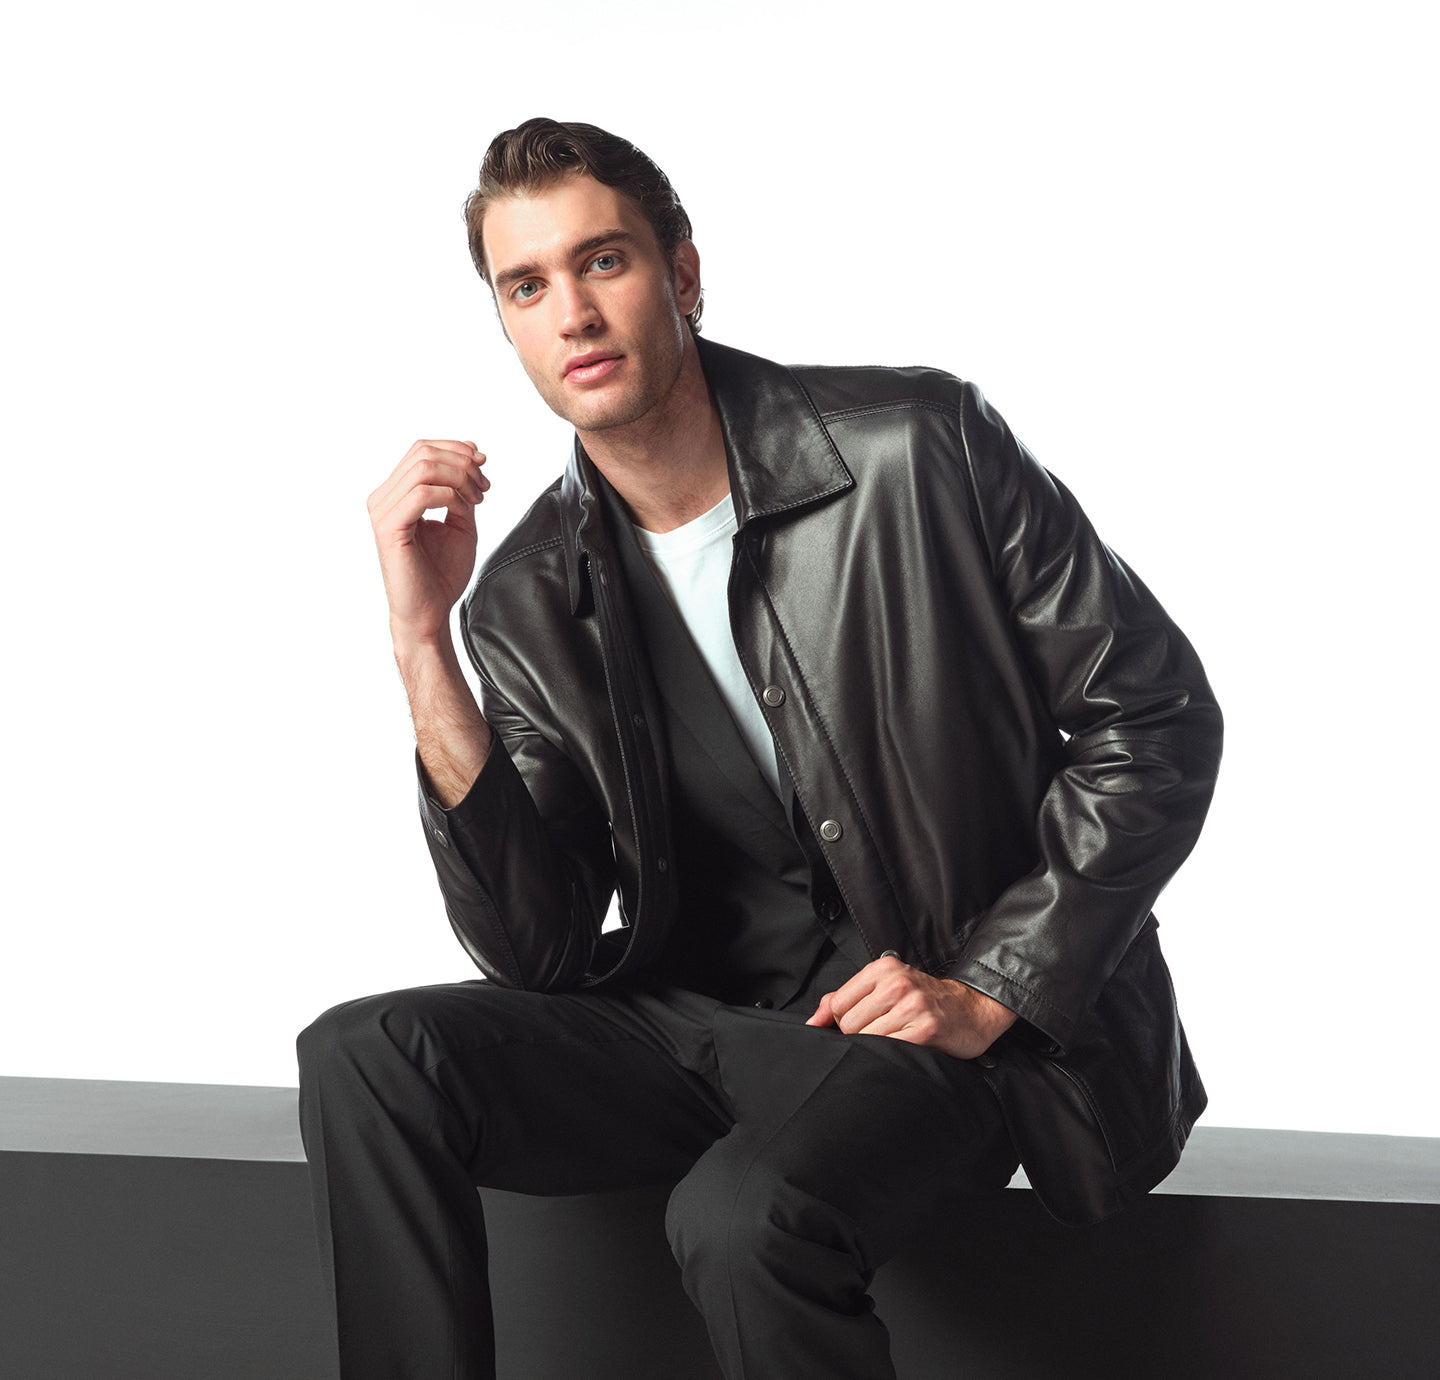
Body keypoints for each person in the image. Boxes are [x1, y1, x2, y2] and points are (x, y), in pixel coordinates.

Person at [297, 117, 1223, 1380]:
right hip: (703, 1022)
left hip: (930, 1024)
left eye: (603, 261)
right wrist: (422, 644)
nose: (573, 312)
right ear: (506, 325)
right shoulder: (523, 596)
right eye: (527, 286)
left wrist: (992, 984)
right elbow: (540, 947)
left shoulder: (917, 445)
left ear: (682, 273)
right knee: (363, 1057)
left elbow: (1152, 719)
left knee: (739, 1219)